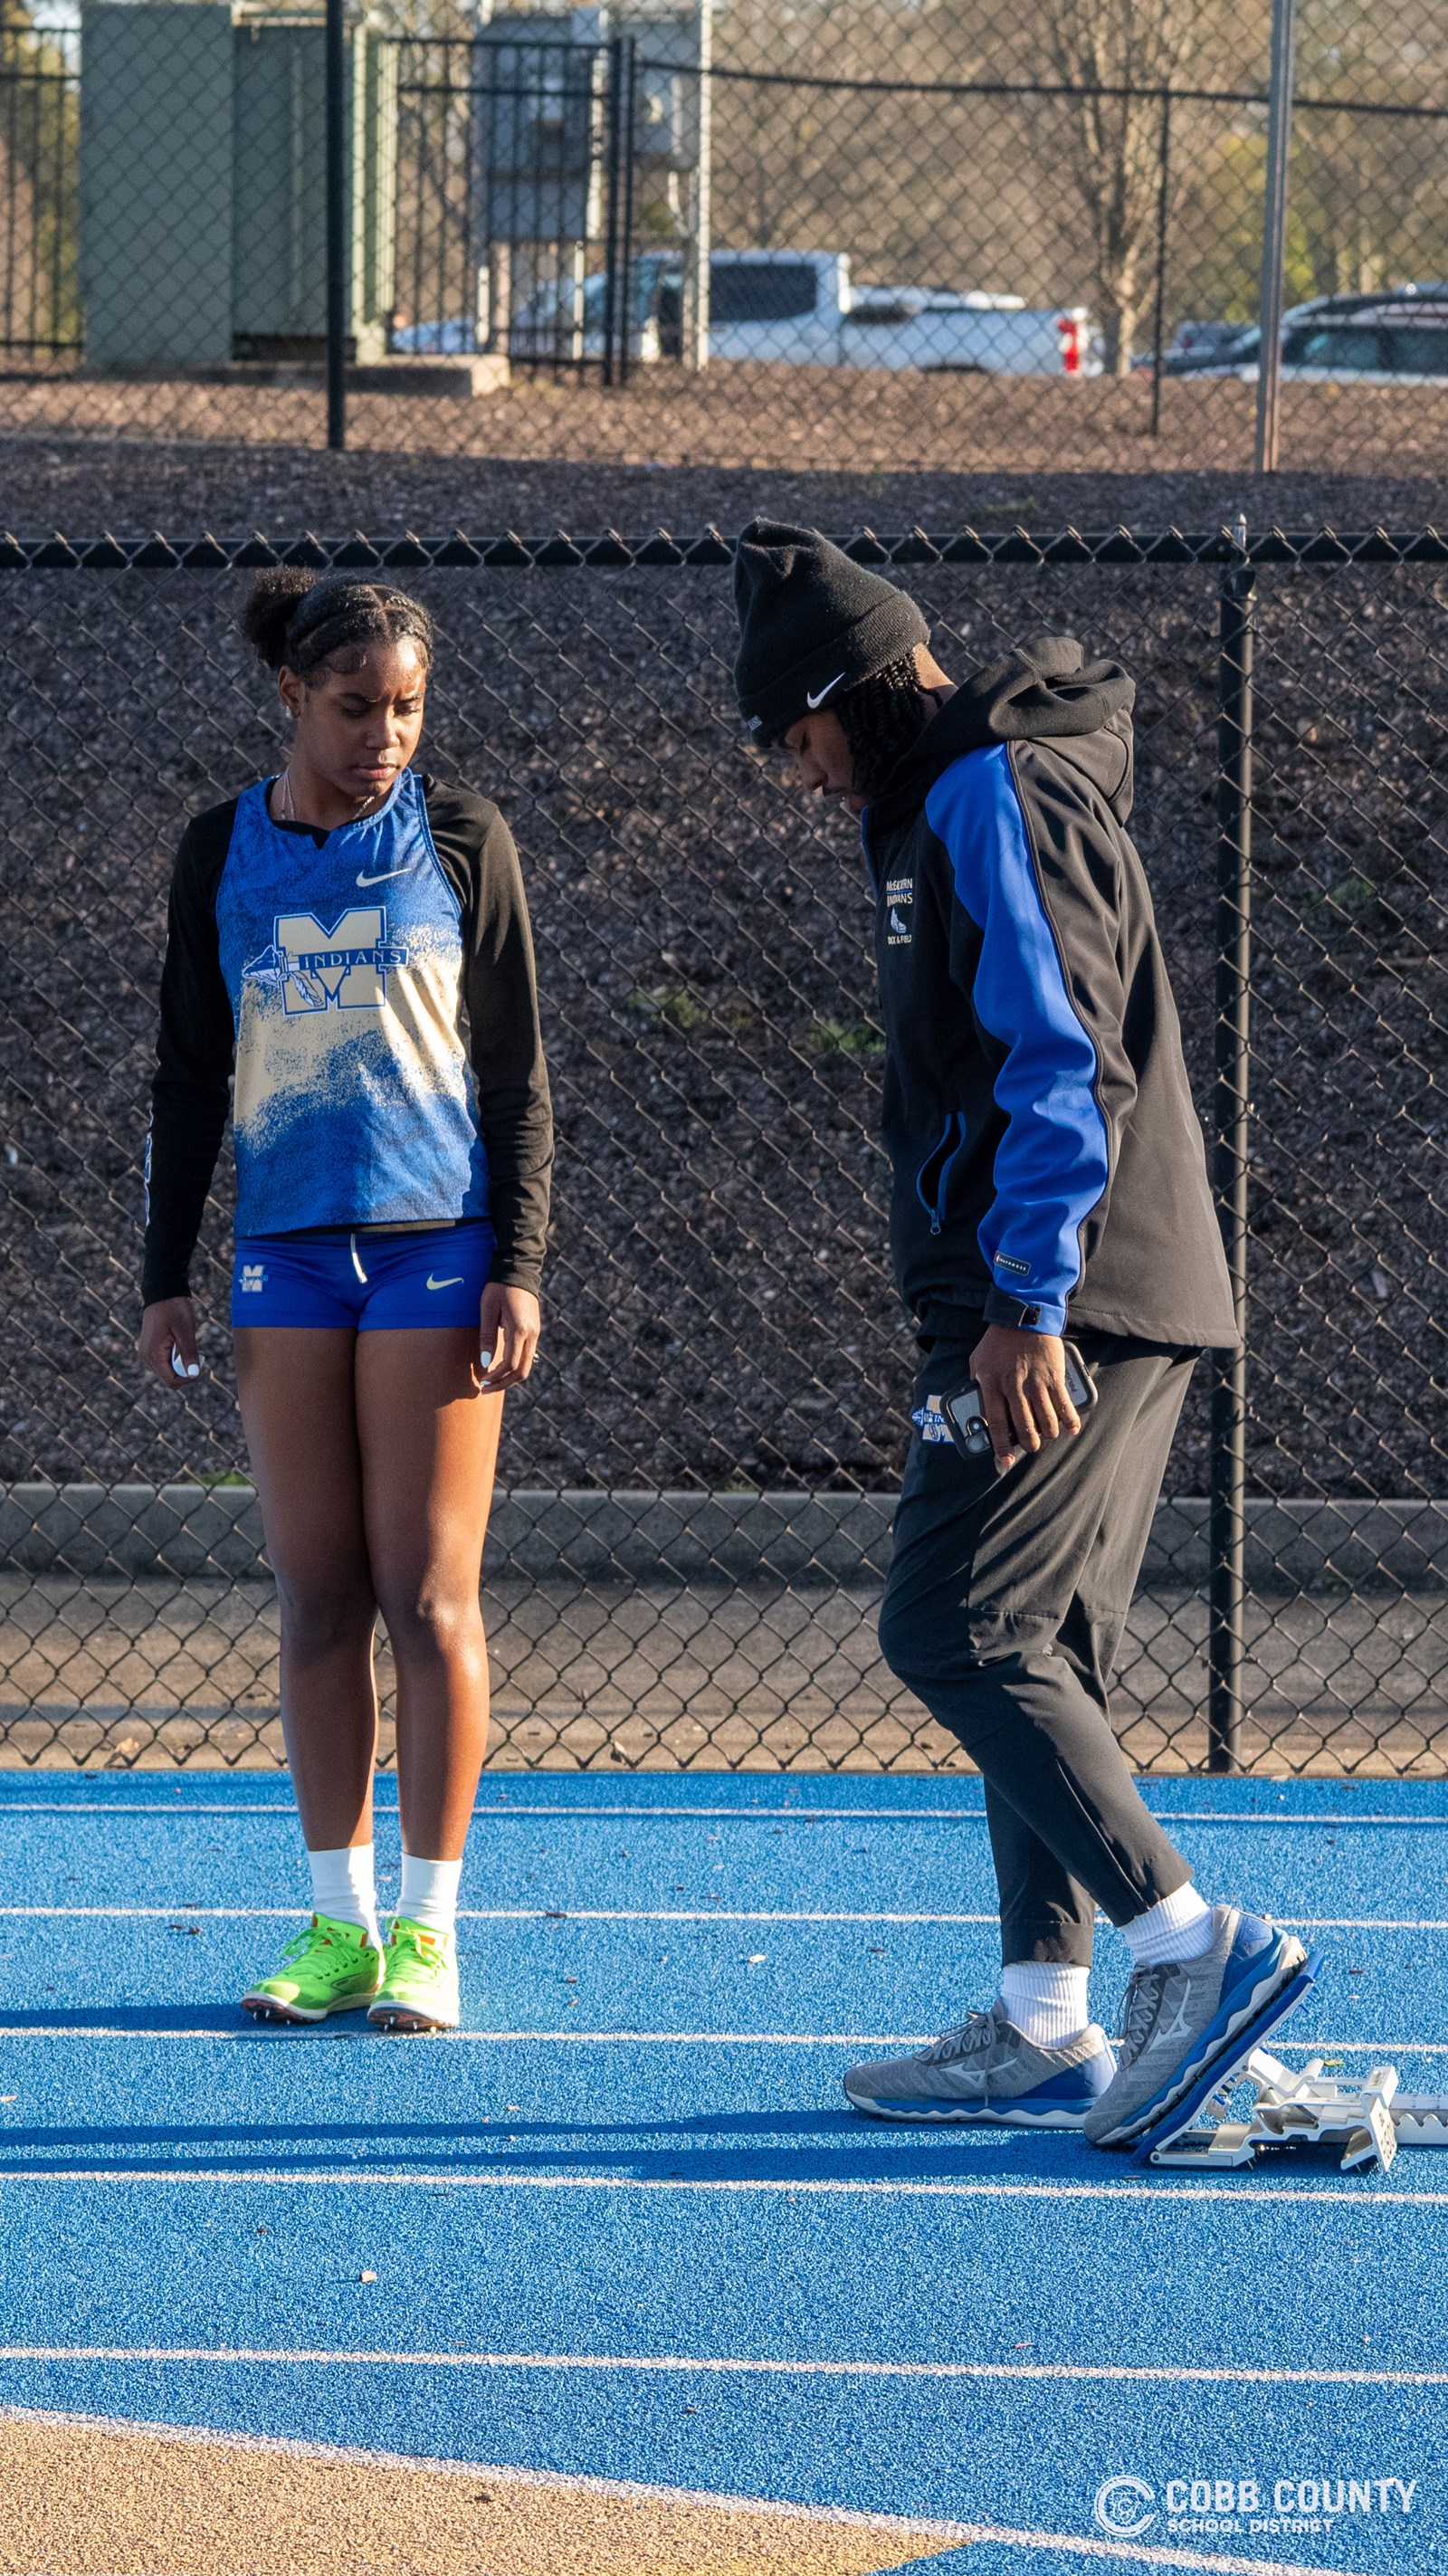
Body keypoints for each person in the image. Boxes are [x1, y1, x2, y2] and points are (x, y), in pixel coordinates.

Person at [733, 520, 1315, 2148]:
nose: (804, 775)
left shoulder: (991, 790)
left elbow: (1063, 1063)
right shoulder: (943, 795)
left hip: (1075, 1294)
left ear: (853, 690)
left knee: (954, 1628)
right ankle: (1049, 2019)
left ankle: (1201, 1946)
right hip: (1061, 1288)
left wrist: (1024, 1303)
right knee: (1032, 1646)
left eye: (801, 736)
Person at [138, 569, 552, 2035]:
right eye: (356, 706)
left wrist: (522, 1261)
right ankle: (340, 1926)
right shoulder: (220, 852)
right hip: (288, 1258)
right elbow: (191, 1072)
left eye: (408, 707)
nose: (386, 735)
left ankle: (432, 1934)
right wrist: (164, 1272)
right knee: (317, 1594)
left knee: (427, 1594)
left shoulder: (460, 838)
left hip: (438, 1251)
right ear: (292, 697)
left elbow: (514, 1076)